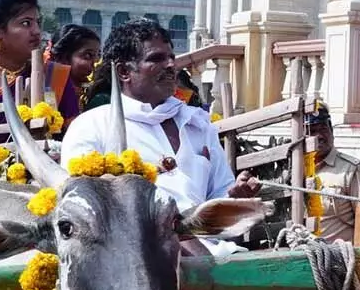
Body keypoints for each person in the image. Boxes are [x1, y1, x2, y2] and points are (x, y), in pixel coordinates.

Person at [62, 19, 260, 212]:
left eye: (171, 57)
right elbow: (86, 210)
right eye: (156, 59)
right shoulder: (92, 125)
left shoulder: (197, 122)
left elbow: (218, 194)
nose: (170, 65)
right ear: (124, 72)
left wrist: (233, 198)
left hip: (212, 243)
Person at [301, 104, 360, 242]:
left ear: (332, 131)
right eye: (313, 131)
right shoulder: (293, 170)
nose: (320, 136)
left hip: (338, 258)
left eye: (324, 129)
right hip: (298, 255)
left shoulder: (352, 170)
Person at [48, 23, 101, 105]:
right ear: (64, 58)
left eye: (98, 55)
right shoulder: (49, 93)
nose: (96, 62)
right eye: (88, 55)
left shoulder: (90, 93)